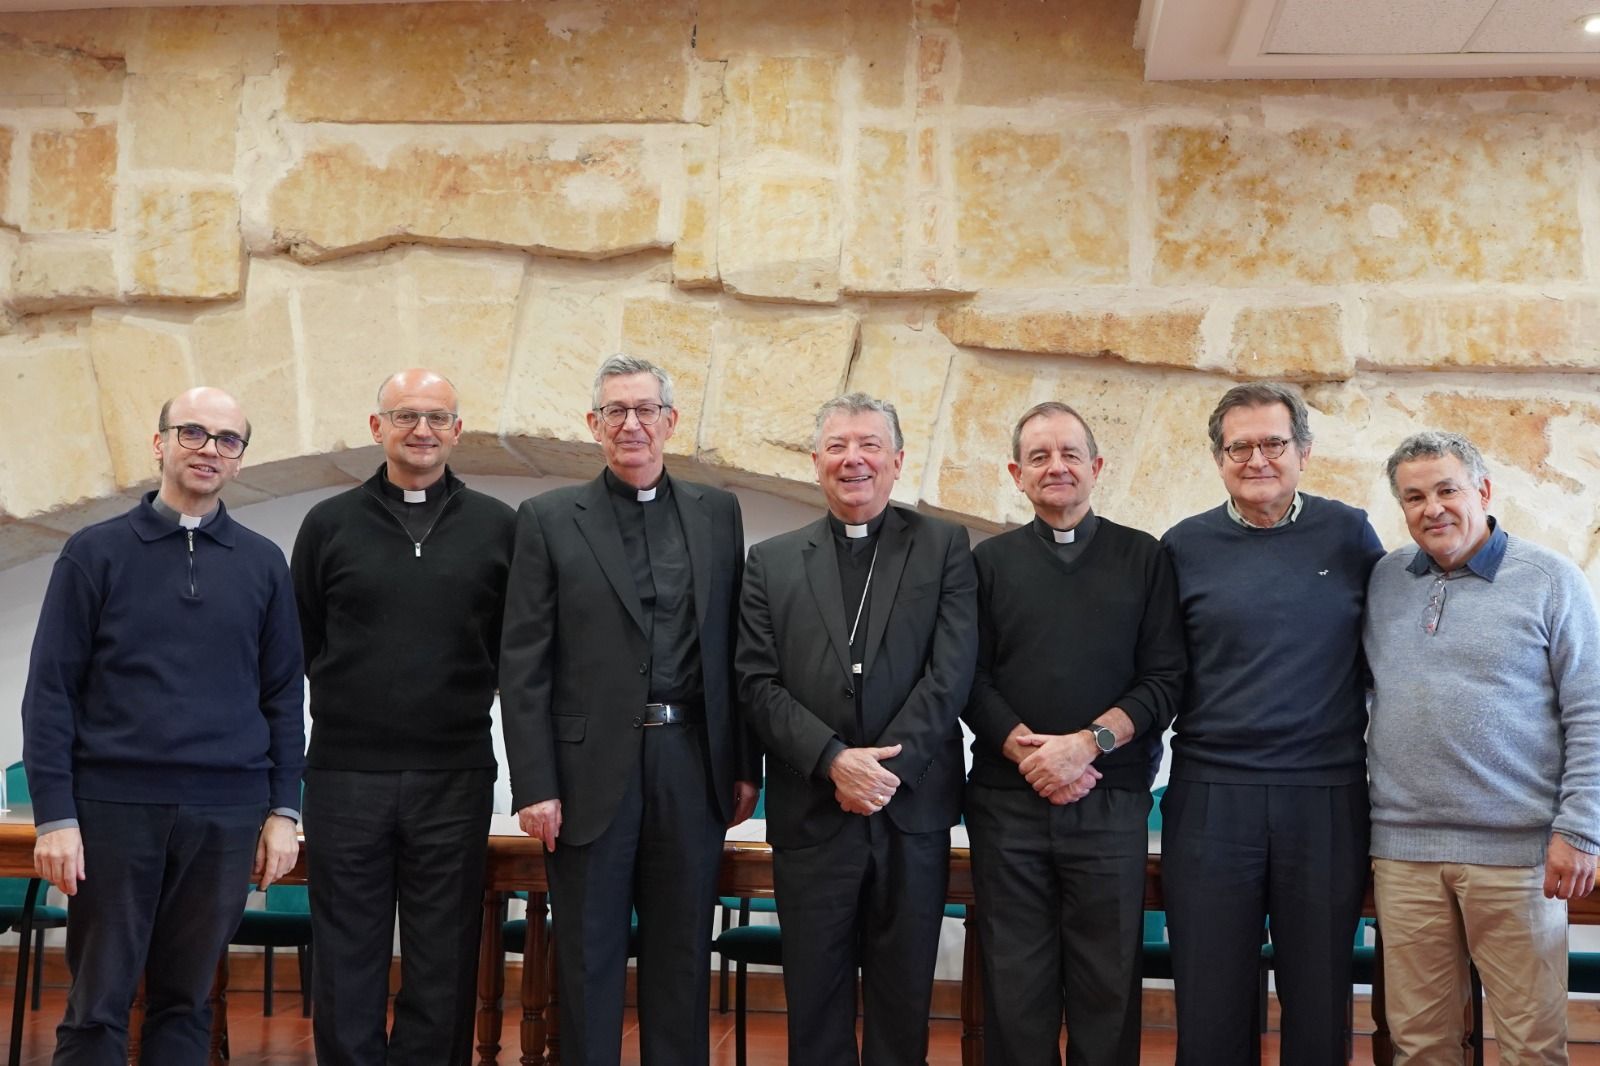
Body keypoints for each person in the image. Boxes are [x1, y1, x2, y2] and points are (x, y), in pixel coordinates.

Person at [22, 387, 304, 1065]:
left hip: (226, 811)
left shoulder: (264, 564)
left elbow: (283, 697)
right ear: (159, 443)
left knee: (188, 1001)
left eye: (227, 439)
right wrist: (55, 817)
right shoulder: (94, 554)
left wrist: (283, 810)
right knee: (98, 1003)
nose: (210, 449)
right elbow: (50, 693)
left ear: (240, 459)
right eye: (193, 433)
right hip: (115, 808)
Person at [500, 354, 758, 1065]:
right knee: (588, 953)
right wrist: (535, 783)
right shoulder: (549, 519)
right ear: (594, 426)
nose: (632, 424)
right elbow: (524, 660)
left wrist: (743, 765)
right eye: (616, 411)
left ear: (671, 422)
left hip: (691, 760)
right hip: (586, 773)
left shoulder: (717, 514)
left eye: (646, 409)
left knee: (681, 952)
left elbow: (734, 649)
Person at [736, 392, 978, 1066]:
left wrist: (883, 773)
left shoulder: (944, 546)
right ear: (815, 462)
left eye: (869, 445)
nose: (854, 460)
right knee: (815, 1003)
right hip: (814, 810)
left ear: (897, 461)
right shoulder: (772, 562)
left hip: (912, 811)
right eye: (838, 446)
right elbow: (756, 682)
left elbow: (951, 672)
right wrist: (835, 760)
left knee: (904, 1004)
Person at [291, 368, 515, 1065]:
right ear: (376, 427)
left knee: (443, 955)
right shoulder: (328, 524)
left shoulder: (498, 527)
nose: (422, 430)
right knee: (347, 953)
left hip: (454, 774)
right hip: (344, 774)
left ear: (457, 430)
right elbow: (303, 642)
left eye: (437, 417)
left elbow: (515, 647)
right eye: (406, 415)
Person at [1158, 381, 1384, 1065]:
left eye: (1273, 443)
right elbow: (1160, 673)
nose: (1257, 458)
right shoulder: (1183, 545)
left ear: (1304, 451)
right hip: (1210, 795)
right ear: (1219, 458)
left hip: (1325, 794)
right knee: (1208, 995)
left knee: (1319, 999)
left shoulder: (1349, 533)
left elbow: (1391, 651)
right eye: (1240, 446)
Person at [1366, 431, 1600, 1065]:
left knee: (1531, 1044)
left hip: (1518, 857)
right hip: (1404, 851)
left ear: (1484, 491)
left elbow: (1591, 709)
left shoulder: (1550, 579)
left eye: (1448, 489)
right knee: (1418, 1043)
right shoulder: (1385, 579)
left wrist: (1579, 828)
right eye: (1414, 497)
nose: (1432, 508)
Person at [963, 402, 1184, 1066]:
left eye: (1068, 454)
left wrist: (1086, 745)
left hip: (1110, 800)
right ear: (1016, 474)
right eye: (1038, 457)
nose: (1055, 467)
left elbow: (1165, 679)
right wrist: (1028, 753)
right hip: (1008, 802)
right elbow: (965, 676)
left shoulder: (1145, 558)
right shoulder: (987, 563)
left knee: (1106, 985)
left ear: (1096, 467)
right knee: (1014, 986)